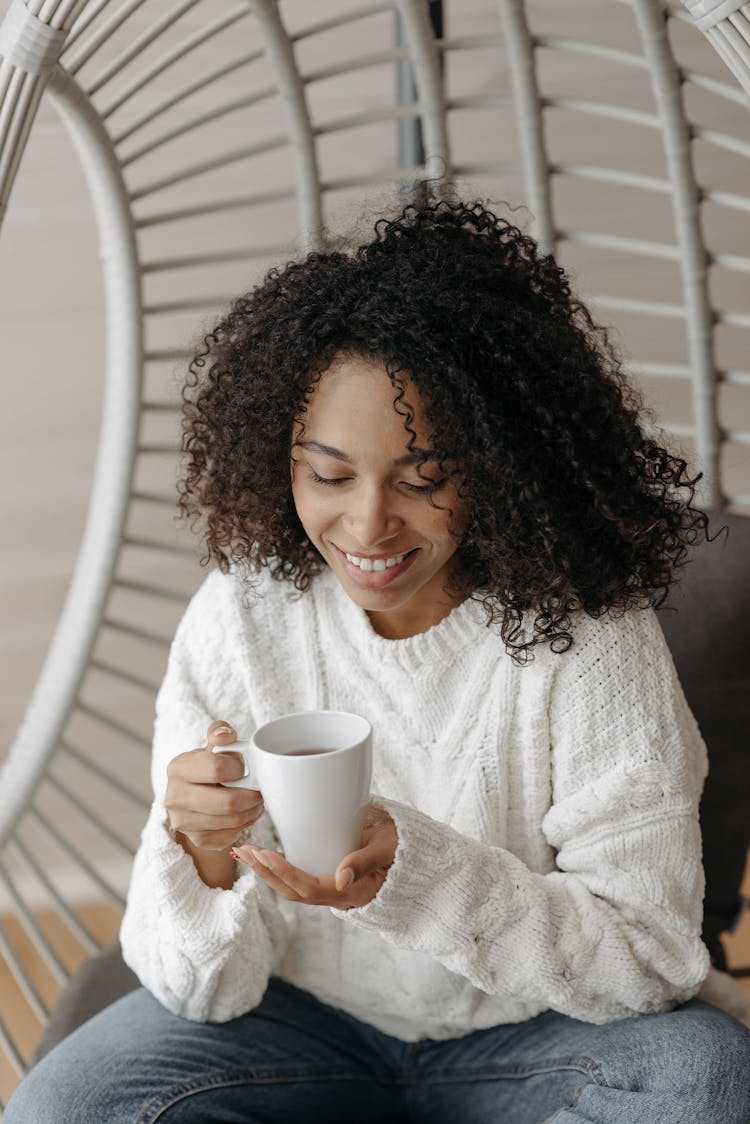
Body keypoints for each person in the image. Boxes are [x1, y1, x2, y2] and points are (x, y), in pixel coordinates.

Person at [7, 193, 750, 1123]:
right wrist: (197, 854)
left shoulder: (590, 636)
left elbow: (647, 956)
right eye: (328, 475)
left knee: (708, 1083)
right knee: (60, 1111)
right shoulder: (244, 615)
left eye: (424, 480)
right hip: (296, 1022)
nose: (366, 527)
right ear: (277, 459)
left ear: (502, 461)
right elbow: (201, 994)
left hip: (540, 1035)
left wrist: (422, 875)